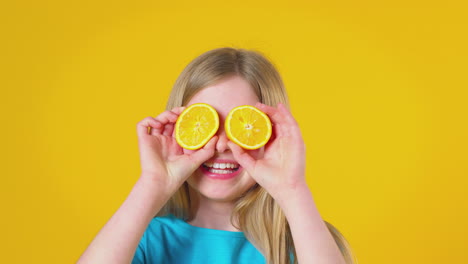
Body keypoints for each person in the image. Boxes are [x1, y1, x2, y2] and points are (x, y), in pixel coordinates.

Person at [77, 47, 357, 264]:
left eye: (242, 127)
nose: (222, 144)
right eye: (204, 124)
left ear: (272, 135)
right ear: (178, 131)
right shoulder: (144, 239)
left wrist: (293, 190)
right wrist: (152, 183)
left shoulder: (305, 240)